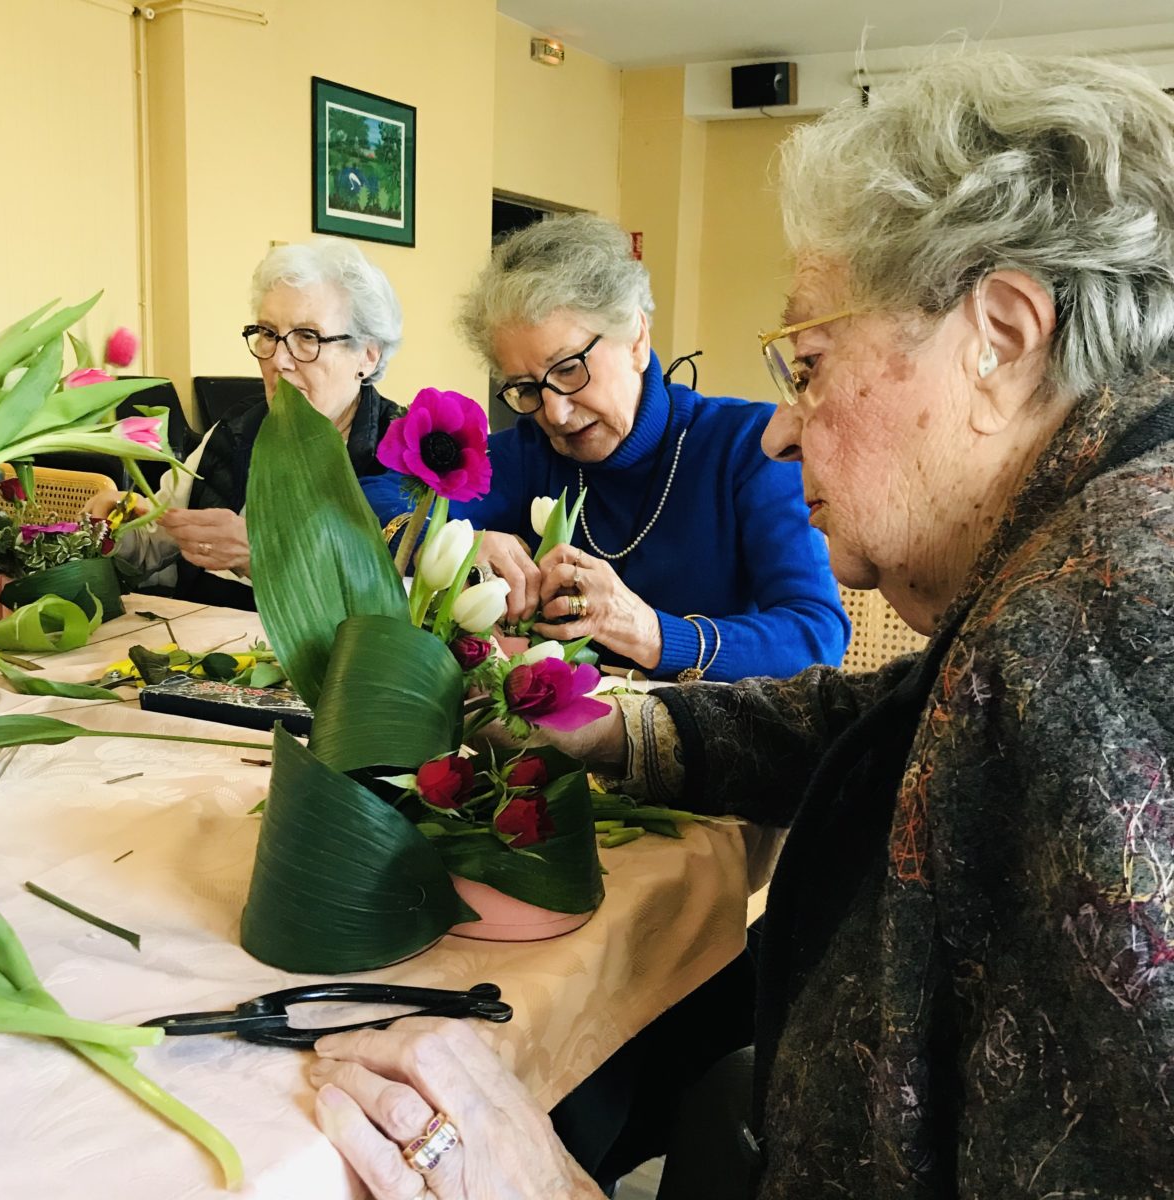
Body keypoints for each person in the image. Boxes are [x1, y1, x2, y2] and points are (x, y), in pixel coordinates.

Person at [307, 51, 1174, 1200]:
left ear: (1002, 337)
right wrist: (615, 734)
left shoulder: (1102, 636)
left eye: (810, 365)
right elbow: (888, 718)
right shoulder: (1087, 563)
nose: (781, 431)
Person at [363, 214, 848, 682]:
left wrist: (652, 633)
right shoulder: (534, 451)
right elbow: (371, 502)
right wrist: (457, 545)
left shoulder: (745, 447)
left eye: (570, 368)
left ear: (636, 337)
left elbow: (815, 636)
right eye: (526, 388)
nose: (553, 412)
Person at [88, 239, 404, 609]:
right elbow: (158, 546)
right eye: (269, 334)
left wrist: (259, 558)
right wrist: (117, 526)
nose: (280, 360)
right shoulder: (236, 430)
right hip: (206, 656)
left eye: (307, 337)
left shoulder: (405, 454)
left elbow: (399, 607)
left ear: (367, 354)